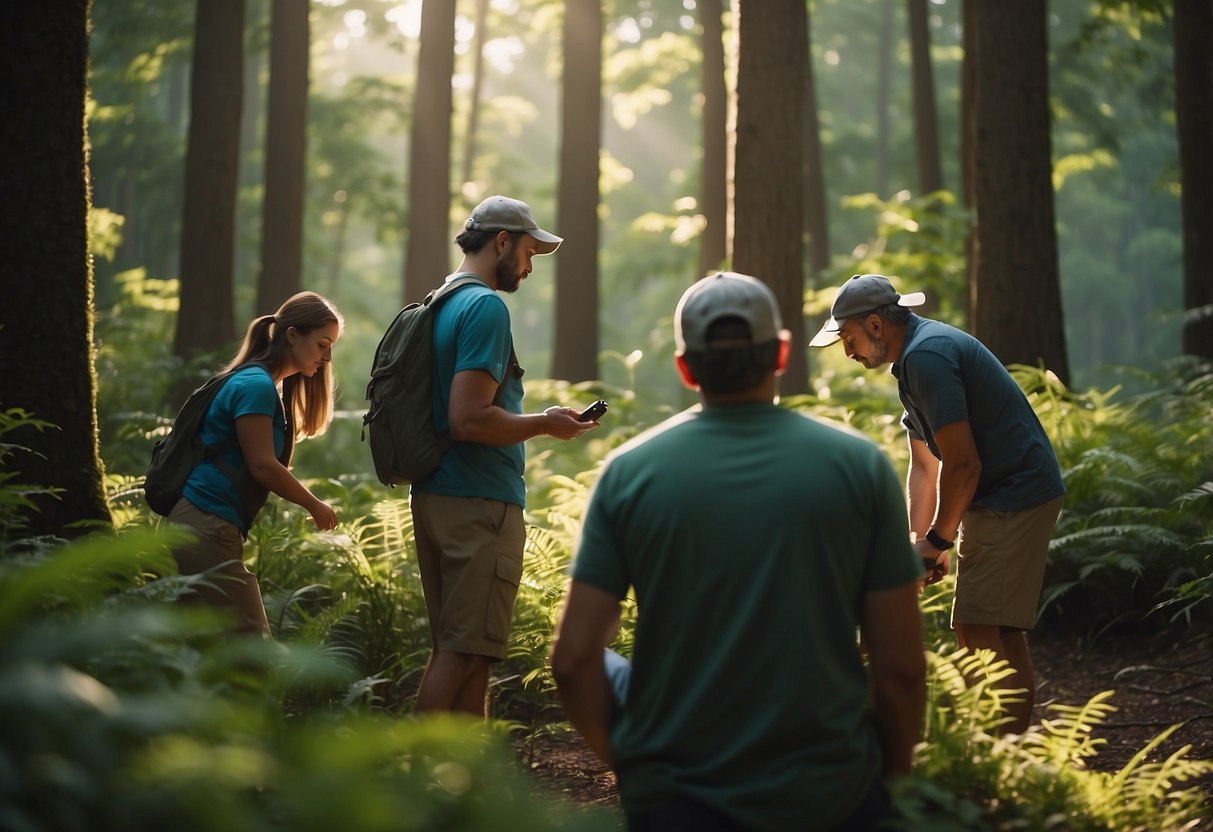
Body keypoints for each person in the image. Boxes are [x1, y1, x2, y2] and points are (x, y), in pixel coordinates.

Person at [551, 272, 927, 831]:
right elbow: (898, 668)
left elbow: (574, 659)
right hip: (829, 798)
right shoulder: (858, 466)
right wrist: (888, 785)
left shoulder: (629, 474)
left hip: (677, 803)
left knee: (609, 663)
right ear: (779, 353)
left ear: (684, 367)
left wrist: (640, 773)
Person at [810, 273, 1066, 734]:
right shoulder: (912, 360)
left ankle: (997, 760)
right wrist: (921, 543)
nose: (847, 353)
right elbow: (925, 467)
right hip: (1002, 494)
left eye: (848, 339)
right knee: (993, 629)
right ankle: (1009, 755)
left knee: (980, 629)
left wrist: (940, 537)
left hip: (1014, 493)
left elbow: (964, 464)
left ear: (873, 325)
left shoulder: (927, 356)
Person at [411, 194, 599, 717]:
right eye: (528, 253)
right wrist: (545, 423)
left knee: (469, 654)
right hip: (478, 503)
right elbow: (468, 418)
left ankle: (466, 785)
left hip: (435, 495)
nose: (530, 265)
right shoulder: (487, 307)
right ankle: (412, 783)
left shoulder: (441, 301)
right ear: (501, 242)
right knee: (461, 653)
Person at [169, 291, 343, 636]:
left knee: (204, 648)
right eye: (322, 344)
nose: (327, 357)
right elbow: (262, 465)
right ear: (292, 334)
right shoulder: (256, 386)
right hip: (206, 523)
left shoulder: (262, 383)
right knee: (250, 650)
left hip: (206, 524)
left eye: (331, 347)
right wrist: (314, 504)